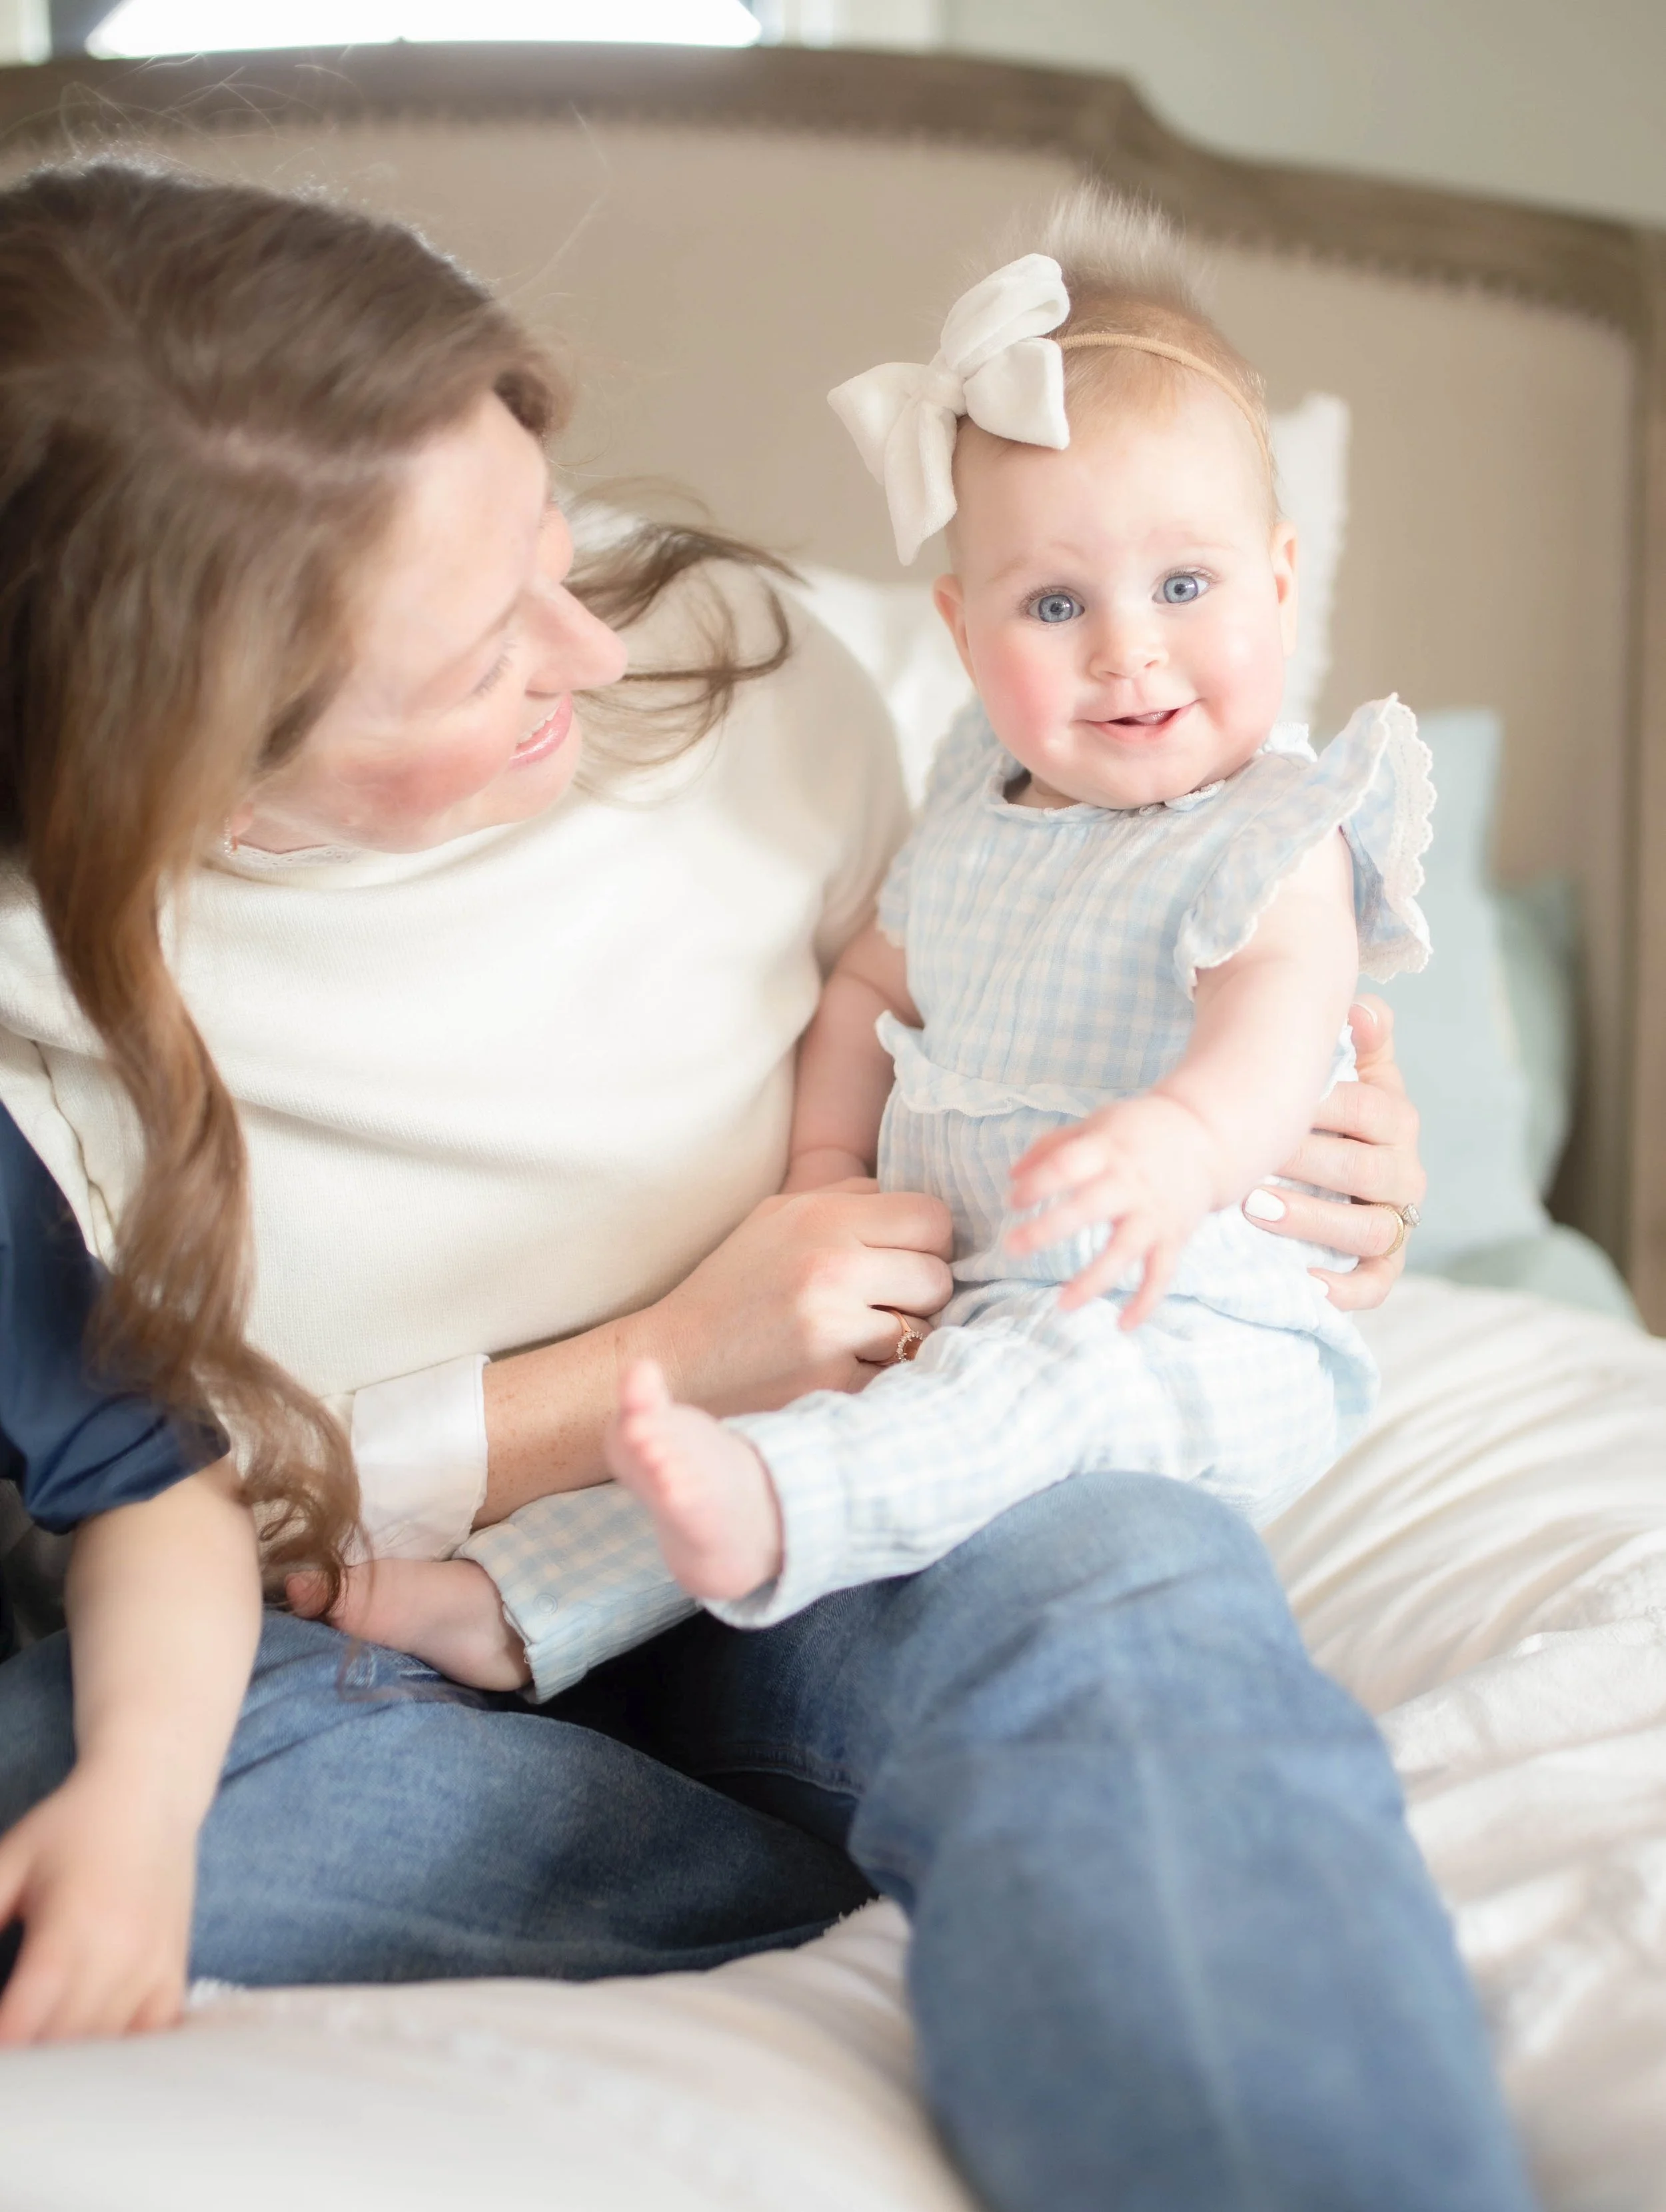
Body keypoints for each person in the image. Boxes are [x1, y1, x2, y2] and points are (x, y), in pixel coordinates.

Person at [0, 159, 1531, 2212]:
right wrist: (661, 1353)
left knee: (1109, 1577)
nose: (592, 642)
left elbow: (1045, 980)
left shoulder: (712, 646)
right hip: (361, 1627)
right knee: (80, 1773)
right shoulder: (39, 1000)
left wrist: (1300, 1141)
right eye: (478, 657)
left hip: (879, 1477)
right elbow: (140, 1514)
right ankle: (903, 1867)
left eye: (555, 542)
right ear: (179, 751)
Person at [598, 202, 1436, 1621]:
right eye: (1054, 604)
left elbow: (1278, 1017)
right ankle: (509, 1605)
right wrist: (818, 1163)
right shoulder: (969, 814)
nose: (1126, 649)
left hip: (1183, 1322)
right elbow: (869, 990)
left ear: (1279, 582)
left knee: (1029, 1393)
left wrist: (1182, 1144)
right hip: (975, 1296)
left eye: (1183, 583)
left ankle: (781, 1517)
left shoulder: (1274, 827)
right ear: (961, 633)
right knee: (729, 1434)